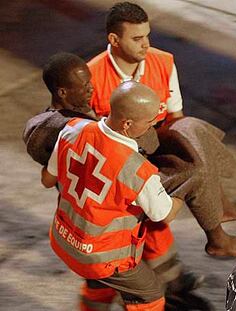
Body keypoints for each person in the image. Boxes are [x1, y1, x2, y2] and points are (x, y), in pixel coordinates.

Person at [88, 1, 236, 257]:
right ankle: (218, 229)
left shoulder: (163, 61)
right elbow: (92, 138)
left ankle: (219, 212)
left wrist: (183, 147)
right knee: (196, 167)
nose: (145, 44)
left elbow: (176, 115)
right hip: (124, 158)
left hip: (158, 137)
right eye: (137, 38)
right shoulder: (91, 76)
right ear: (114, 39)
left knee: (191, 130)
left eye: (147, 35)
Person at [41, 80, 185, 310]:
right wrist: (180, 196)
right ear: (127, 123)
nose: (152, 127)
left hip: (61, 238)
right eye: (149, 123)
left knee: (102, 282)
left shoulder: (72, 129)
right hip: (101, 256)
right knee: (149, 296)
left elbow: (49, 177)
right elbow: (163, 215)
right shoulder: (137, 170)